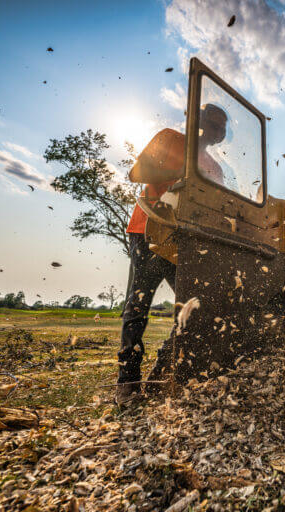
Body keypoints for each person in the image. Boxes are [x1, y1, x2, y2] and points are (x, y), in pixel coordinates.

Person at [116, 104, 228, 404]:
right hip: (147, 231)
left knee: (195, 308)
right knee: (138, 304)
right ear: (195, 120)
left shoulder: (215, 169)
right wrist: (183, 171)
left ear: (221, 135)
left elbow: (221, 207)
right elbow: (137, 172)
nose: (213, 130)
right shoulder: (169, 139)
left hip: (186, 244)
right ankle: (127, 384)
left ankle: (160, 375)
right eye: (209, 123)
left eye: (219, 127)